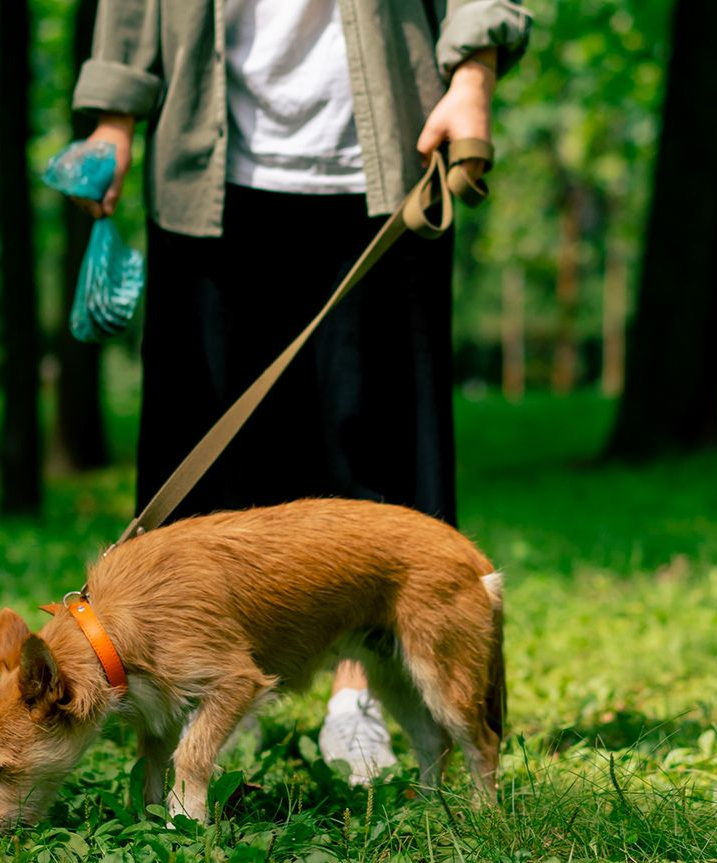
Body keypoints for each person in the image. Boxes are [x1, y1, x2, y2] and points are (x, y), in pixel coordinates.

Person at [70, 0, 531, 784]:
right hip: (205, 172)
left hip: (384, 153)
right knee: (204, 473)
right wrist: (113, 116)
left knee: (375, 451)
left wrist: (474, 72)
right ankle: (193, 702)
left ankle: (359, 699)